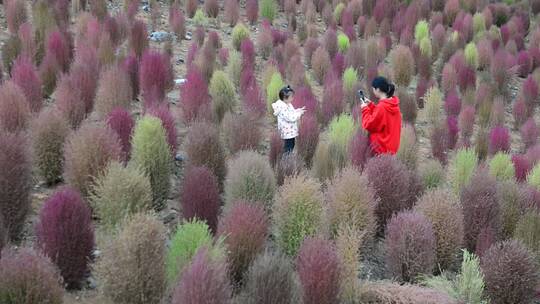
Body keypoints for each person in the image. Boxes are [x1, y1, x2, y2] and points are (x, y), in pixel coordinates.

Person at [360, 76, 402, 155]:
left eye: (373, 89)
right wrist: (371, 105)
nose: (373, 91)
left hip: (381, 150)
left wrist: (364, 109)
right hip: (391, 148)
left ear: (378, 89)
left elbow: (369, 124)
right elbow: (382, 117)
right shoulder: (393, 104)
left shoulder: (382, 107)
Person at [272, 85, 306, 154]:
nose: (293, 98)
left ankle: (287, 159)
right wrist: (299, 114)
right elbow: (291, 118)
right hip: (286, 132)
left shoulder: (287, 104)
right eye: (291, 97)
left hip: (290, 131)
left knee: (291, 145)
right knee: (288, 147)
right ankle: (286, 160)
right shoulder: (282, 108)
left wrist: (298, 110)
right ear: (285, 98)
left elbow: (292, 112)